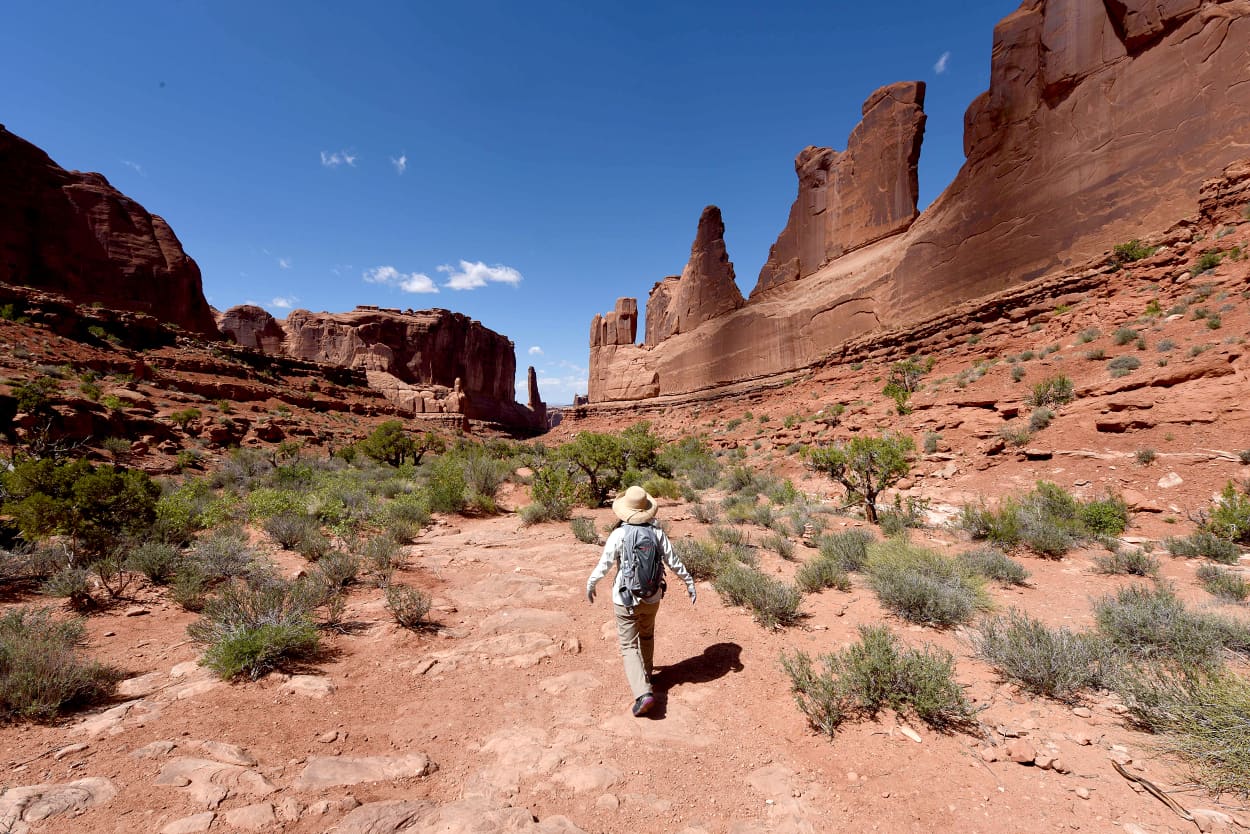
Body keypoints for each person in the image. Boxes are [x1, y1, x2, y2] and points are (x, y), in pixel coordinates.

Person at [586, 485, 697, 717]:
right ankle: (646, 677)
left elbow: (604, 564)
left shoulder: (619, 534)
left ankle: (642, 693)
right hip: (652, 596)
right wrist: (688, 581)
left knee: (628, 645)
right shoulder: (657, 533)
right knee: (647, 635)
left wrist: (592, 583)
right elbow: (673, 562)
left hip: (625, 598)